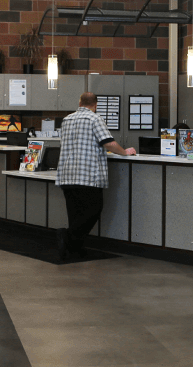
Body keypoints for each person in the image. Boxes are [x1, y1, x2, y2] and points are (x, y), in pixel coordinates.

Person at [56, 92, 137, 260]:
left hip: (66, 174)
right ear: (96, 105)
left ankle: (74, 249)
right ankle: (67, 236)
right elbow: (108, 143)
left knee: (75, 213)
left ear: (79, 102)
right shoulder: (94, 119)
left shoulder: (67, 120)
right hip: (87, 176)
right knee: (94, 209)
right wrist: (125, 152)